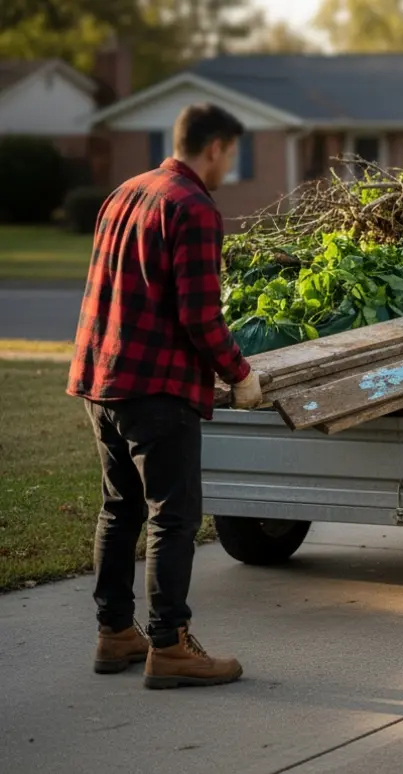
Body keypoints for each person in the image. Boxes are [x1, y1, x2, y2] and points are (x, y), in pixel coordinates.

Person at [67, 102, 264, 689]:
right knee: (173, 518)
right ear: (217, 148)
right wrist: (240, 373)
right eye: (231, 153)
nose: (230, 164)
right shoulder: (194, 207)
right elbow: (201, 318)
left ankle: (114, 632)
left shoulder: (125, 192)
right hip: (157, 388)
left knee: (118, 508)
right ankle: (170, 644)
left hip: (102, 381)